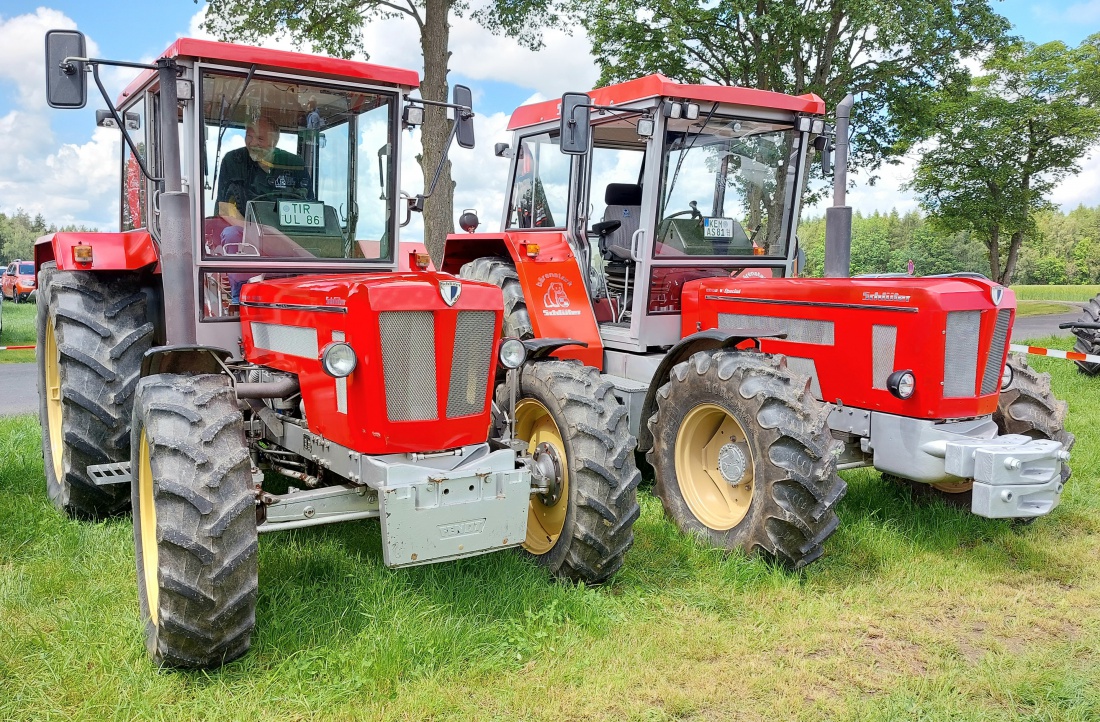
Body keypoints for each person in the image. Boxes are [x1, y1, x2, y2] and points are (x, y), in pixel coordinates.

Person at [215, 115, 313, 302]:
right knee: (230, 234)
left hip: (288, 237)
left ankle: (308, 288)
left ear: (274, 141)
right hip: (248, 235)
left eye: (260, 139)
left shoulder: (294, 164)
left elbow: (308, 205)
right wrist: (257, 232)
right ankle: (240, 296)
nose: (253, 143)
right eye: (249, 136)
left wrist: (282, 238)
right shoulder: (233, 160)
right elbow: (225, 209)